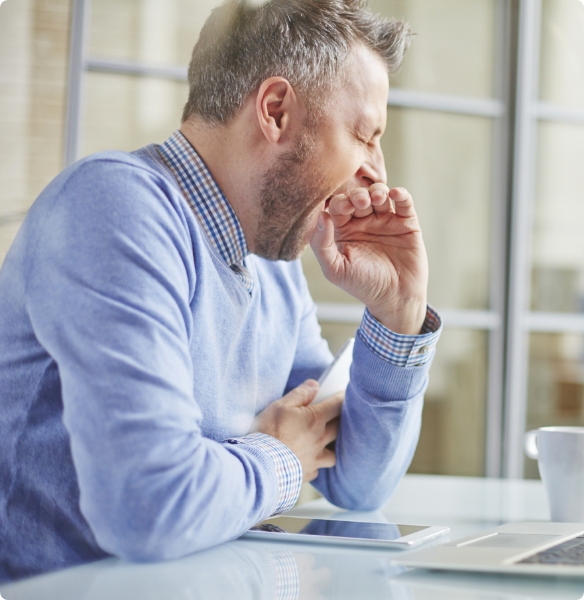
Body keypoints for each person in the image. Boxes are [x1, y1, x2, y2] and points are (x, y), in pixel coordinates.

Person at [0, 0, 441, 580]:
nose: (377, 172)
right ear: (277, 111)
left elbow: (355, 480)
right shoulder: (115, 208)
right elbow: (146, 507)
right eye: (364, 135)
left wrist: (397, 313)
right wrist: (281, 457)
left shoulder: (271, 264)